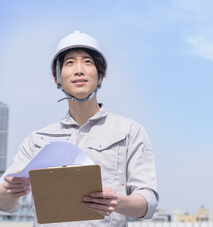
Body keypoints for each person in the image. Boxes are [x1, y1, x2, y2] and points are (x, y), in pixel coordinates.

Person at [0, 30, 159, 226]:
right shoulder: (37, 139)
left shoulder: (129, 131)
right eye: (69, 62)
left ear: (100, 76)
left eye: (88, 62)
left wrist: (118, 202)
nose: (79, 70)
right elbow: (5, 204)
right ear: (57, 78)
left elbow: (148, 202)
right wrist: (9, 189)